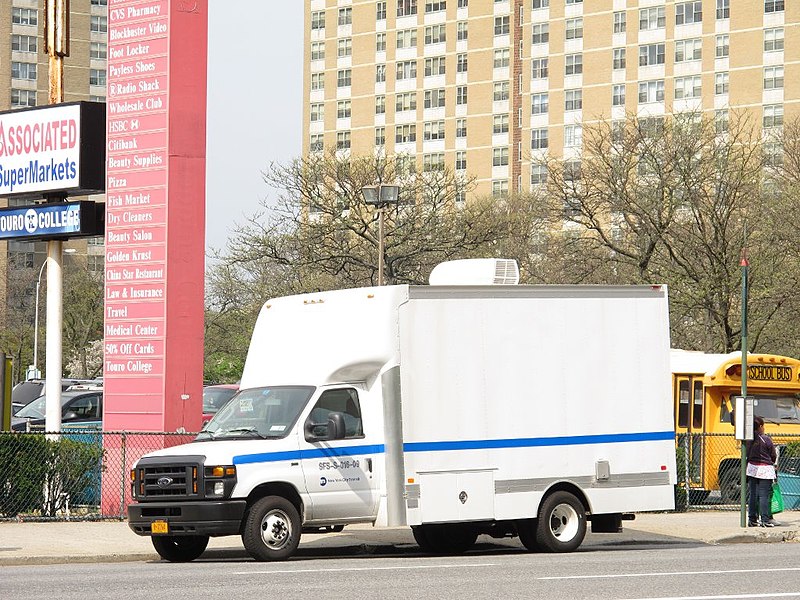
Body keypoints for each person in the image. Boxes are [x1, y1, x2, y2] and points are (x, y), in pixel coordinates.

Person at [746, 415, 779, 527]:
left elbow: (746, 453)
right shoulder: (766, 439)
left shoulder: (748, 439)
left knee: (753, 495)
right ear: (760, 426)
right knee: (763, 495)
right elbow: (773, 455)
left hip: (752, 468)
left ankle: (752, 519)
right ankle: (764, 520)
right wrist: (772, 462)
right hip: (765, 469)